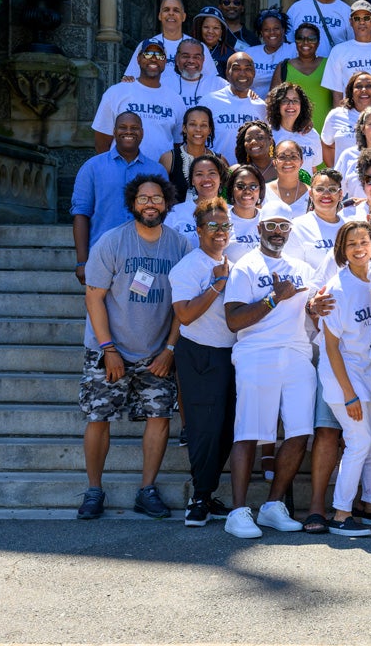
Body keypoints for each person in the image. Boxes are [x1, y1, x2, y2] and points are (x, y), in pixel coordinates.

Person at [75, 175, 190, 520]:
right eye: (143, 198)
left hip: (156, 353)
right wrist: (109, 349)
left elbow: (182, 305)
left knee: (159, 416)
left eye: (157, 198)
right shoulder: (111, 243)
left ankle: (147, 490)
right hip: (109, 349)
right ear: (132, 203)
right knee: (98, 417)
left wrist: (169, 350)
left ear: (167, 203)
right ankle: (94, 491)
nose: (150, 204)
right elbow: (93, 298)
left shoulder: (180, 246)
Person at [221, 208, 333, 538]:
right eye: (271, 225)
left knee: (299, 431)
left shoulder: (302, 269)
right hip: (257, 355)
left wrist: (315, 308)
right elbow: (233, 321)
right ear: (259, 228)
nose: (277, 232)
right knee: (248, 432)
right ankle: (238, 512)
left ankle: (271, 507)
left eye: (283, 226)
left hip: (297, 355)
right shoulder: (245, 267)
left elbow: (311, 308)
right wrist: (272, 298)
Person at [169, 196, 237, 526]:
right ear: (199, 230)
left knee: (225, 431)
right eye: (213, 226)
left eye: (226, 225)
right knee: (204, 430)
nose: (220, 231)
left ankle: (207, 496)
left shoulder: (232, 263)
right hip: (199, 353)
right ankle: (197, 499)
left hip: (230, 355)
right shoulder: (188, 267)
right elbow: (183, 315)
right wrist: (215, 286)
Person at [317, 220, 371, 537]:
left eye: (364, 242)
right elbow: (331, 347)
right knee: (358, 443)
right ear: (342, 251)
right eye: (352, 244)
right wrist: (349, 394)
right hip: (343, 378)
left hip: (370, 375)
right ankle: (341, 513)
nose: (360, 249)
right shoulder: (337, 289)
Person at [71, 112, 166, 285]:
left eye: (134, 128)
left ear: (142, 133)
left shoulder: (157, 171)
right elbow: (81, 215)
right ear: (114, 131)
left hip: (144, 259)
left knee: (141, 308)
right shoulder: (92, 167)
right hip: (102, 256)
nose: (128, 132)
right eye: (123, 127)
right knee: (98, 308)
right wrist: (82, 261)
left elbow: (163, 218)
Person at [93, 39, 185, 160]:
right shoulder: (116, 92)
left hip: (161, 173)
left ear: (165, 61)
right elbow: (102, 139)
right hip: (123, 172)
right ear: (138, 59)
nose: (153, 58)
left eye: (159, 55)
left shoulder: (176, 100)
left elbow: (178, 143)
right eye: (147, 54)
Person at [122, 0, 214, 79]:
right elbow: (130, 78)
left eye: (176, 10)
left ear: (183, 17)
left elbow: (211, 80)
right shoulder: (146, 45)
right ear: (160, 16)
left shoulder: (198, 47)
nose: (171, 13)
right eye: (166, 10)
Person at [269, 22, 332, 133]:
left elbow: (338, 98)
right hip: (292, 132)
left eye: (311, 39)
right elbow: (272, 102)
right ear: (295, 42)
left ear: (318, 42)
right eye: (300, 38)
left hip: (325, 132)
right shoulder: (284, 67)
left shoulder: (329, 65)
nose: (305, 42)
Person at [205, 52, 266, 157]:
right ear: (227, 73)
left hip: (249, 171)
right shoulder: (209, 102)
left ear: (254, 73)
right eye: (236, 68)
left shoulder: (261, 106)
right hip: (217, 170)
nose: (242, 73)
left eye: (247, 69)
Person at [288, 168, 348, 270]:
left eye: (332, 189)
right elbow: (294, 269)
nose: (326, 194)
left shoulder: (349, 226)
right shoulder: (297, 227)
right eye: (320, 189)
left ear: (340, 195)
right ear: (311, 194)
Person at [163, 153, 227, 246]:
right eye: (199, 174)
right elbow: (166, 246)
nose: (206, 179)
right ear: (192, 180)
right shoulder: (176, 212)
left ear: (220, 178)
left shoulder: (232, 212)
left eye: (212, 173)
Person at [159, 106, 222, 201]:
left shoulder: (220, 161)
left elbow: (225, 197)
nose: (198, 129)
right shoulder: (169, 159)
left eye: (203, 125)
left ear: (209, 130)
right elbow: (159, 195)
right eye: (193, 124)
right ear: (184, 128)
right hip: (177, 215)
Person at [267, 82, 322, 169]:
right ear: (277, 104)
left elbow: (313, 169)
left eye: (295, 100)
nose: (291, 104)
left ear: (302, 105)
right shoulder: (268, 135)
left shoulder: (312, 134)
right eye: (285, 100)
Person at [243, 8, 296, 94]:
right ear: (261, 33)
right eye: (266, 29)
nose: (272, 32)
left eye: (276, 28)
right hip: (253, 104)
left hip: (283, 105)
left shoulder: (294, 50)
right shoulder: (250, 53)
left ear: (283, 30)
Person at [172, 37, 230, 110]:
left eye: (196, 57)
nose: (191, 61)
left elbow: (240, 96)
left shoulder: (218, 84)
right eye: (185, 56)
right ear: (177, 59)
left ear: (203, 60)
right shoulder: (165, 84)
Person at [225, 164, 266, 262]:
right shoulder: (221, 220)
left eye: (253, 186)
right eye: (240, 186)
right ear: (231, 190)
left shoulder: (267, 218)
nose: (247, 191)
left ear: (260, 190)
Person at [263, 137, 310, 220]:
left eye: (293, 156)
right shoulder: (263, 191)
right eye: (282, 157)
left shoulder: (312, 193)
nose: (288, 161)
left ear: (301, 162)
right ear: (274, 162)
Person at [191, 6, 237, 78]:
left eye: (216, 28)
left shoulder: (229, 54)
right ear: (200, 28)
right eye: (206, 27)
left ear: (222, 32)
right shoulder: (189, 50)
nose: (210, 31)